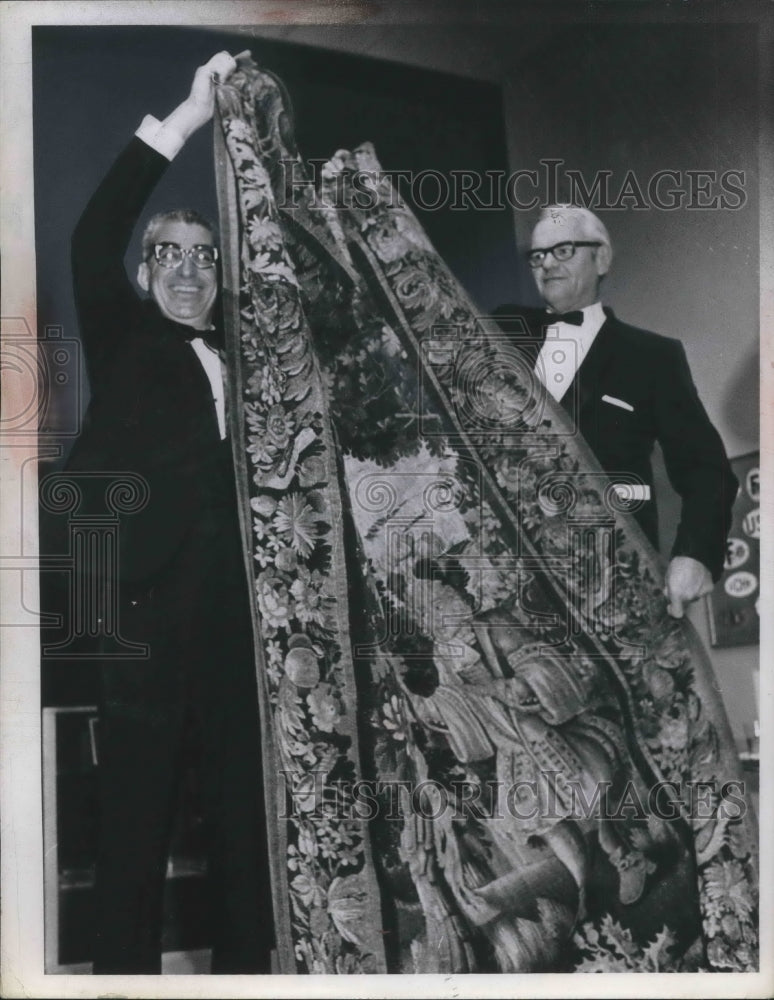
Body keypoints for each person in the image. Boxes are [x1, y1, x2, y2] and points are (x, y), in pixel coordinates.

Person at [66, 51, 274, 974]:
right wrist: (188, 118)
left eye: (204, 258)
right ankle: (120, 982)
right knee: (134, 820)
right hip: (142, 615)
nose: (188, 272)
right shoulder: (124, 338)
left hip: (237, 616)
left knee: (242, 815)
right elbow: (90, 236)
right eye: (168, 257)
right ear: (146, 276)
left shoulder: (253, 355)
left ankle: (246, 977)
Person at [493, 204, 738, 617]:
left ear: (601, 257)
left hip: (609, 586)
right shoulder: (500, 331)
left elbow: (706, 468)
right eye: (537, 256)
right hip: (504, 581)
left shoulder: (651, 357)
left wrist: (694, 555)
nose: (547, 264)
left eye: (564, 250)